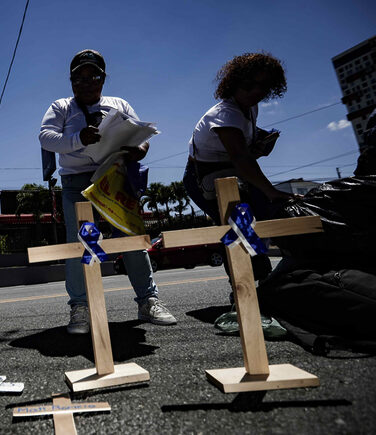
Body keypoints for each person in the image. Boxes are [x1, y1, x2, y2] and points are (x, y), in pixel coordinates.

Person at [39, 49, 176, 334]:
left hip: (115, 177)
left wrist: (139, 149)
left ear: (104, 79)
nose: (87, 81)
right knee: (80, 244)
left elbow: (141, 135)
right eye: (80, 76)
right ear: (70, 79)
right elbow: (46, 137)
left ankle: (148, 300)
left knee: (132, 237)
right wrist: (79, 138)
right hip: (77, 182)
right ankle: (80, 307)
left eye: (94, 76)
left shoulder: (119, 104)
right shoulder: (61, 106)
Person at [182, 52, 294, 281]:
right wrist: (271, 190)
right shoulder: (225, 114)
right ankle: (246, 288)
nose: (256, 91)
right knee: (239, 224)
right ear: (234, 83)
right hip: (204, 180)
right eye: (249, 84)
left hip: (233, 175)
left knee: (265, 214)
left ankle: (266, 279)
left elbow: (243, 154)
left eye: (264, 86)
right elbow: (242, 159)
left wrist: (260, 145)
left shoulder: (250, 108)